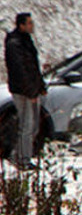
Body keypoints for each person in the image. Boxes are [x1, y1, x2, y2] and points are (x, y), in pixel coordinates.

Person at [4, 12, 46, 169]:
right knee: (27, 126)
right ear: (21, 25)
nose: (31, 25)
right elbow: (20, 71)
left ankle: (18, 154)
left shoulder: (25, 41)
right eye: (29, 23)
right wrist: (30, 92)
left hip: (31, 89)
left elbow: (34, 66)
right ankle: (23, 159)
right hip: (23, 91)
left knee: (33, 126)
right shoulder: (15, 44)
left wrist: (40, 86)